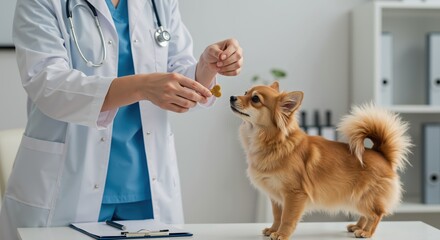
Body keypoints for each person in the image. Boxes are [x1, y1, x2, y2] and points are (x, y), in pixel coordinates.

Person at [0, 0, 243, 239]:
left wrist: (206, 67)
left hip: (145, 188)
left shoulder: (160, 3)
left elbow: (178, 73)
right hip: (68, 184)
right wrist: (142, 86)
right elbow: (47, 83)